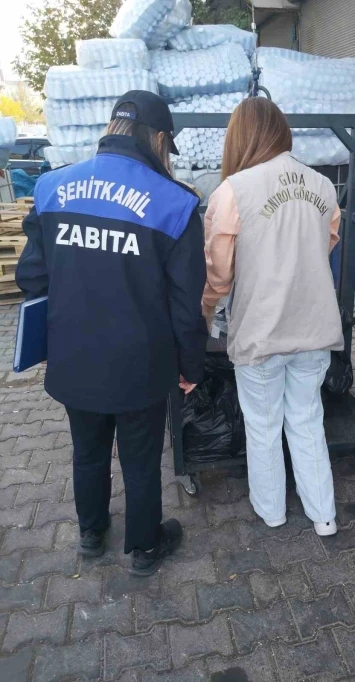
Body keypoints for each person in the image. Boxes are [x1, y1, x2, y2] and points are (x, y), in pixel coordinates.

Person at [16, 91, 208, 575]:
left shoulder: (51, 187)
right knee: (140, 458)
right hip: (141, 364)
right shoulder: (175, 203)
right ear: (159, 138)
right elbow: (186, 305)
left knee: (87, 450)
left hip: (73, 355)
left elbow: (32, 277)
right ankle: (144, 548)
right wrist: (190, 366)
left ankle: (91, 532)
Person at [203, 98, 343, 536]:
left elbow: (219, 274)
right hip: (315, 327)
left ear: (240, 136)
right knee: (307, 419)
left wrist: (205, 313)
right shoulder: (323, 186)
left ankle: (272, 511)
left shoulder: (234, 191)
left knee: (263, 426)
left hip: (261, 330)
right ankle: (323, 515)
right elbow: (327, 243)